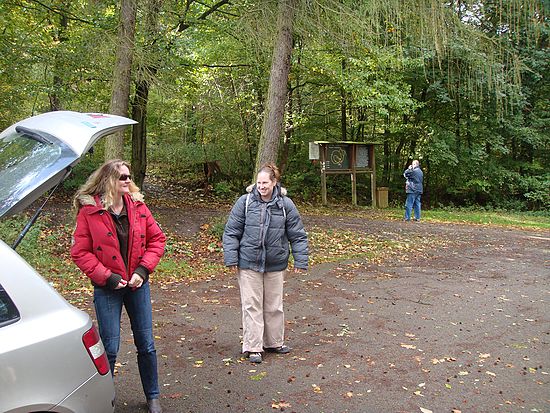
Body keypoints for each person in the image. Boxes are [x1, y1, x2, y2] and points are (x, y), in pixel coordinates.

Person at [70, 159, 166, 413]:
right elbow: (80, 252)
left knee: (146, 344)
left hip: (137, 286)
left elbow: (157, 239)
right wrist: (107, 277)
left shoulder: (138, 206)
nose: (127, 180)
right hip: (107, 288)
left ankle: (153, 397)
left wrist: (142, 271)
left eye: (128, 176)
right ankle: (105, 400)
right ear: (108, 180)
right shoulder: (89, 212)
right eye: (122, 177)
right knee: (109, 348)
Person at [223, 163, 308, 364]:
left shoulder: (285, 205)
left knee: (274, 306)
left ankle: (274, 342)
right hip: (248, 263)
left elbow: (297, 235)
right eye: (259, 183)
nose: (261, 186)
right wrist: (231, 258)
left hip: (275, 263)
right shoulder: (244, 202)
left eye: (265, 183)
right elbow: (231, 232)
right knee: (252, 305)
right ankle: (253, 347)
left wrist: (301, 260)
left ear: (274, 182)